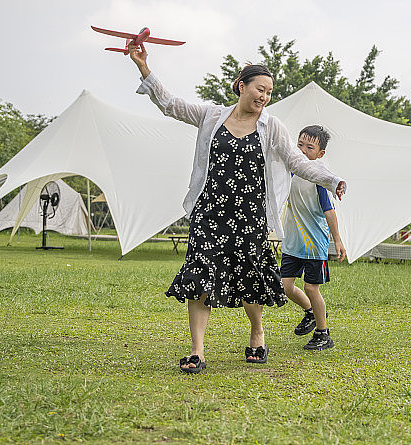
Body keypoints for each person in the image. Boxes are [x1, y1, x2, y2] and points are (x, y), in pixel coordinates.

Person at [127, 43, 346, 372]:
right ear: (242, 86)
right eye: (260, 89)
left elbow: (298, 162)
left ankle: (257, 334)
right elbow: (170, 105)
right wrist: (144, 67)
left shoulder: (272, 128)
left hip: (250, 215)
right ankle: (198, 351)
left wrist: (331, 180)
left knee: (250, 279)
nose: (265, 96)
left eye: (270, 92)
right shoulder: (212, 115)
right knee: (200, 277)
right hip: (210, 212)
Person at [280, 125, 346, 350]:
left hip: (314, 244)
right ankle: (311, 312)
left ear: (320, 154)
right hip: (292, 242)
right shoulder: (290, 170)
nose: (303, 150)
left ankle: (323, 333)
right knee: (285, 286)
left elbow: (329, 210)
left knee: (311, 288)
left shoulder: (319, 177)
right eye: (300, 145)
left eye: (310, 147)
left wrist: (337, 240)